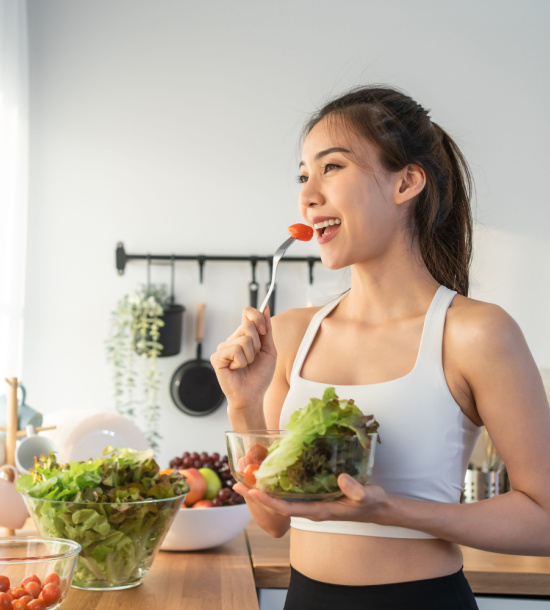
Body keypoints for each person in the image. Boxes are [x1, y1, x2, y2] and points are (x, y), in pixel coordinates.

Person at [211, 86, 550, 610]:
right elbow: (273, 519)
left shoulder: (476, 333)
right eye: (304, 175)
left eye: (332, 168)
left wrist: (391, 510)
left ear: (406, 182)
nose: (307, 194)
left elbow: (543, 521)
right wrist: (243, 404)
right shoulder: (293, 333)